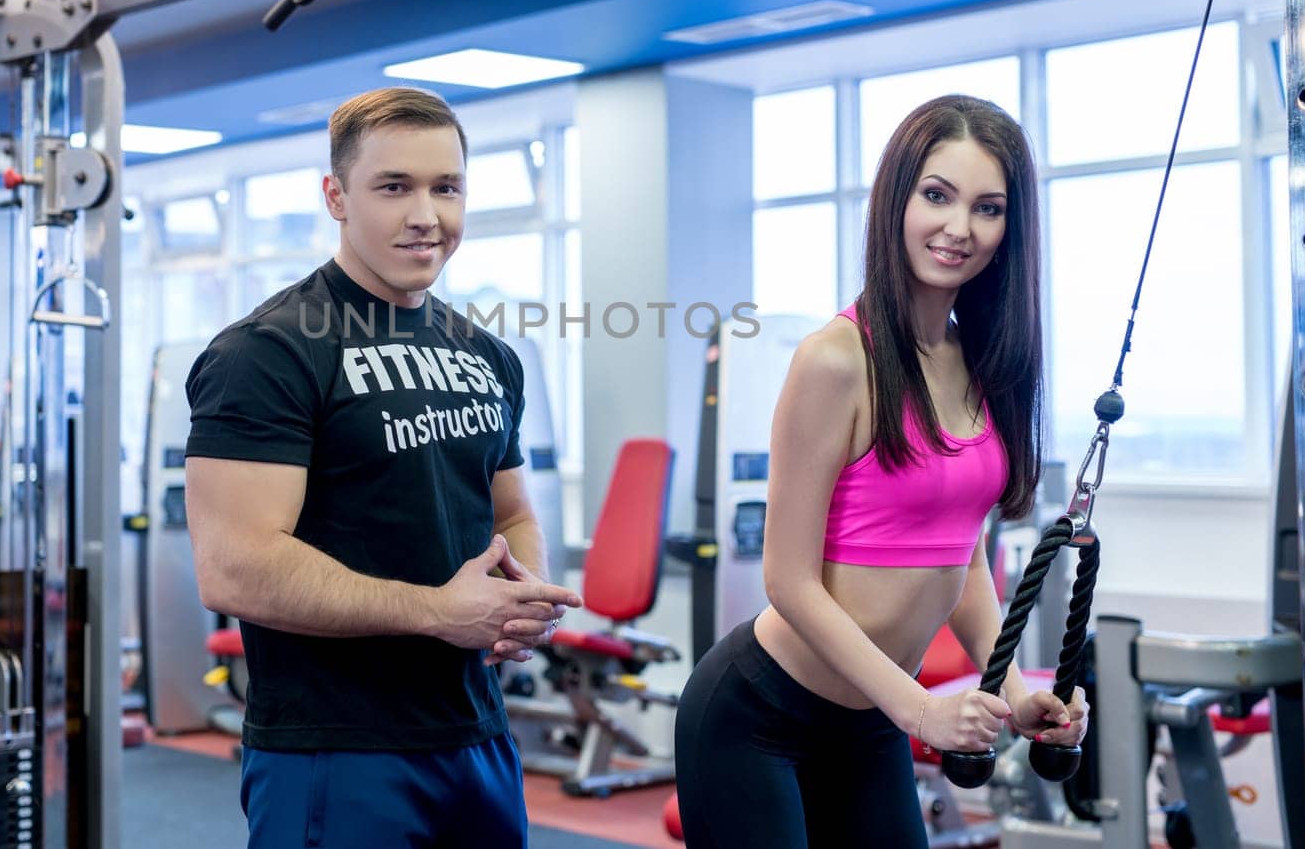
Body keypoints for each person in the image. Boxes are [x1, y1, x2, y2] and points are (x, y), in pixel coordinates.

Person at [674, 94, 1089, 847]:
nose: (958, 228)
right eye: (937, 195)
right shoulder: (835, 360)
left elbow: (959, 559)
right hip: (757, 716)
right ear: (897, 199)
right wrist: (919, 708)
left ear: (1011, 227)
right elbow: (788, 580)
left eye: (987, 207)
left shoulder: (983, 365)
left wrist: (1016, 691)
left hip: (868, 723)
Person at [183, 86, 581, 849]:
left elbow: (512, 513)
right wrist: (439, 611)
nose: (426, 213)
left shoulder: (488, 355)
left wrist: (523, 597)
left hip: (477, 735)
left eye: (446, 186)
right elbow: (234, 567)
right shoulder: (268, 352)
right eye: (394, 186)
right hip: (337, 745)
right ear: (336, 195)